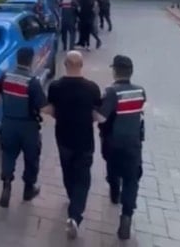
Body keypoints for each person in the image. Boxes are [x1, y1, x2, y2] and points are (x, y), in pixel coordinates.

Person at [42, 51, 102, 239]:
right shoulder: (92, 88)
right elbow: (97, 113)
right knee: (83, 178)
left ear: (66, 64)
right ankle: (75, 215)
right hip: (84, 140)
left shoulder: (55, 87)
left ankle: (72, 198)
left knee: (67, 170)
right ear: (81, 65)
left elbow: (51, 109)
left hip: (63, 138)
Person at [96, 55, 146, 240]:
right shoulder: (140, 91)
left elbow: (101, 118)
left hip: (114, 143)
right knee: (132, 180)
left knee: (113, 170)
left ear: (115, 72)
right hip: (134, 143)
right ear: (130, 72)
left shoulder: (111, 92)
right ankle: (126, 216)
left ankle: (114, 192)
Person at [0, 47, 46, 208]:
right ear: (31, 60)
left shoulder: (5, 77)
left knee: (8, 154)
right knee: (31, 158)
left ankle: (6, 185)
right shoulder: (32, 82)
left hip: (8, 123)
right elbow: (42, 105)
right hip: (28, 126)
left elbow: (1, 93)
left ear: (17, 58)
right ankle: (28, 189)